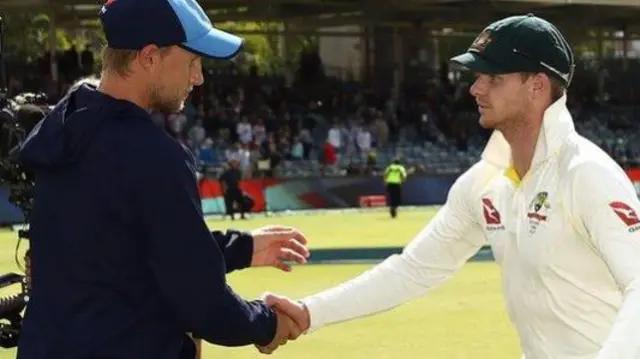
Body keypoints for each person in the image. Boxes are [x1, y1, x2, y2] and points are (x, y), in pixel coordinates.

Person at [259, 14, 640, 359]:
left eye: (492, 78)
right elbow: (412, 270)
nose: (475, 89)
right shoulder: (484, 182)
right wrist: (309, 313)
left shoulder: (586, 174)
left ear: (537, 86)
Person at [16, 0, 308, 358]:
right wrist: (268, 323)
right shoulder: (153, 155)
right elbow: (203, 304)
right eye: (192, 61)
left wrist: (240, 249)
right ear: (150, 57)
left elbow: (122, 253)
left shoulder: (64, 132)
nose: (198, 77)